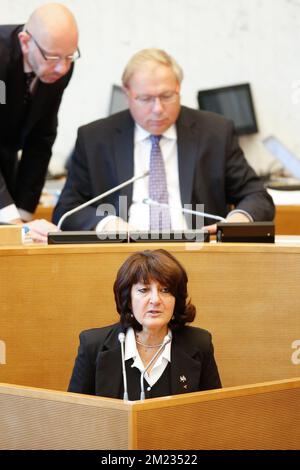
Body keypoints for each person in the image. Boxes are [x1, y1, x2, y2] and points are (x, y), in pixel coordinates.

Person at [53, 48, 274, 233]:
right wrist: (107, 224)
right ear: (128, 94)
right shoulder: (95, 138)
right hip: (122, 256)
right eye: (146, 99)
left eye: (167, 96)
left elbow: (257, 196)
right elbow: (66, 209)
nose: (158, 109)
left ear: (179, 89)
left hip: (198, 250)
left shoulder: (215, 132)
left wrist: (237, 221)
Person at [68, 249, 221, 400]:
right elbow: (74, 416)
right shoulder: (93, 346)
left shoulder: (199, 344)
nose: (155, 299)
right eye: (144, 290)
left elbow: (214, 415)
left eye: (165, 290)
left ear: (176, 299)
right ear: (128, 299)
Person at [0, 3, 79, 241]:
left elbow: (42, 136)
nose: (63, 67)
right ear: (25, 42)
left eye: (70, 56)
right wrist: (9, 217)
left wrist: (23, 215)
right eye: (53, 57)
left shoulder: (59, 65)